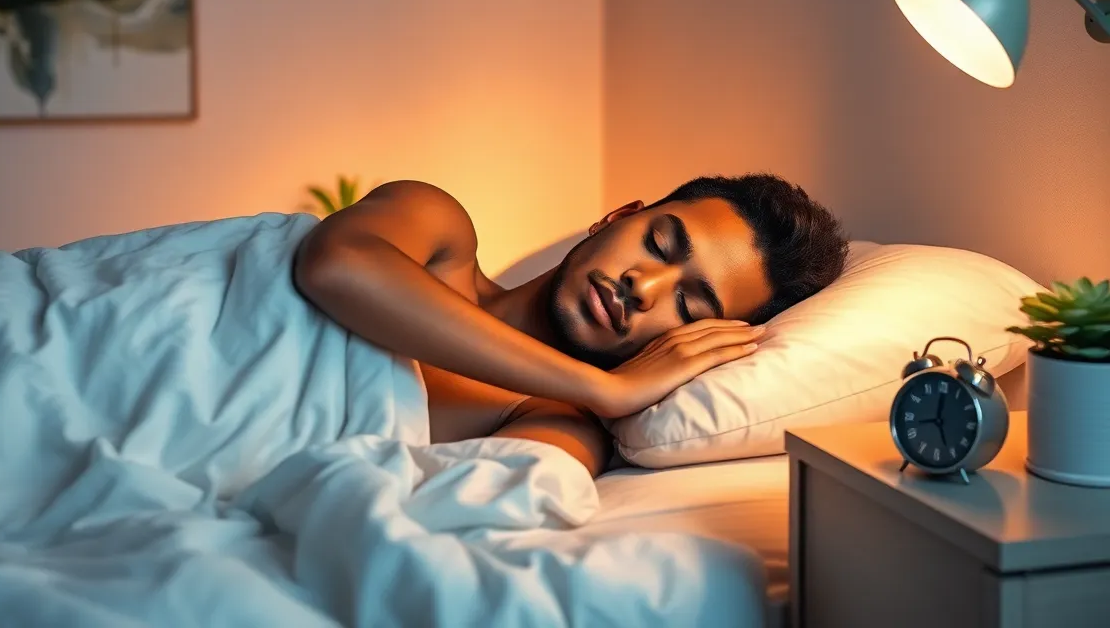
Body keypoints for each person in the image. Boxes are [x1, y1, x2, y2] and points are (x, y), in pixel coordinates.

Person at [292, 173, 849, 477]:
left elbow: (470, 513)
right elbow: (336, 265)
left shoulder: (558, 424)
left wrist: (598, 402)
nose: (645, 286)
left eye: (689, 306)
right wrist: (604, 387)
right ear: (617, 217)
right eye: (658, 242)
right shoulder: (440, 231)